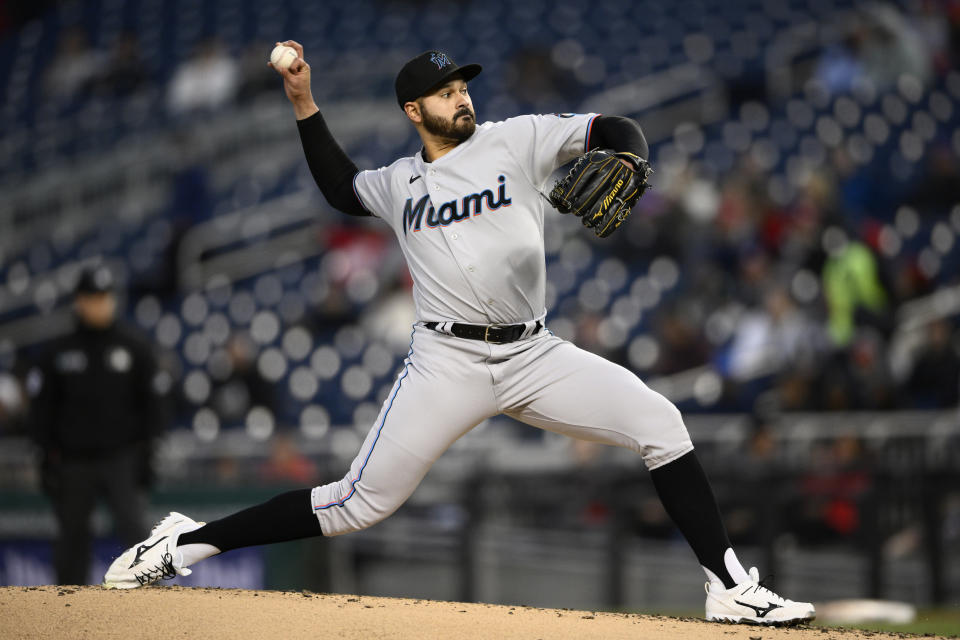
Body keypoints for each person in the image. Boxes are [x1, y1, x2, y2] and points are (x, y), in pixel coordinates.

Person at [104, 45, 815, 625]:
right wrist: (302, 100)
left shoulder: (518, 138)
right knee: (358, 505)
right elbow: (338, 188)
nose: (462, 97)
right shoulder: (399, 182)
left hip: (533, 352)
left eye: (463, 86)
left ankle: (728, 586)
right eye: (445, 92)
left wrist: (628, 155)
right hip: (447, 361)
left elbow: (609, 128)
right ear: (415, 110)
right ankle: (187, 543)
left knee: (662, 422)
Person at [29, 264, 168, 584]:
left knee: (135, 531)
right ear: (79, 301)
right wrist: (43, 456)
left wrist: (149, 451)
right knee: (72, 537)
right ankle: (69, 607)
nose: (101, 304)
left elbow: (153, 403)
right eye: (93, 297)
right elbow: (42, 409)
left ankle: (155, 604)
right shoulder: (58, 351)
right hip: (73, 460)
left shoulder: (133, 346)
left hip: (120, 457)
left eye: (105, 297)